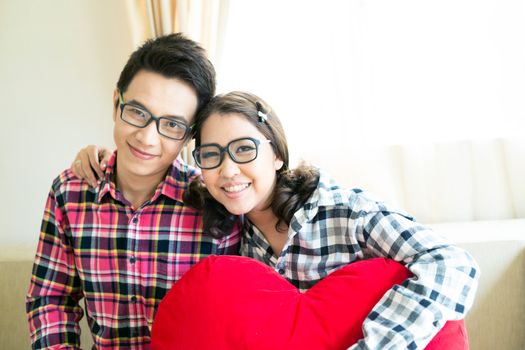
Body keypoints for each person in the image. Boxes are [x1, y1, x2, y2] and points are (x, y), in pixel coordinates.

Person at [76, 91, 480, 349]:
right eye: (212, 155)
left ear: (278, 154)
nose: (228, 171)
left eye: (244, 150)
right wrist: (100, 159)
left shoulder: (345, 211)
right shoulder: (230, 233)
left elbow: (452, 264)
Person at [26, 33, 240, 349]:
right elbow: (51, 300)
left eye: (171, 125)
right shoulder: (70, 192)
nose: (147, 137)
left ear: (188, 137)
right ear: (117, 103)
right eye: (138, 112)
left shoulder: (215, 201)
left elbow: (237, 319)